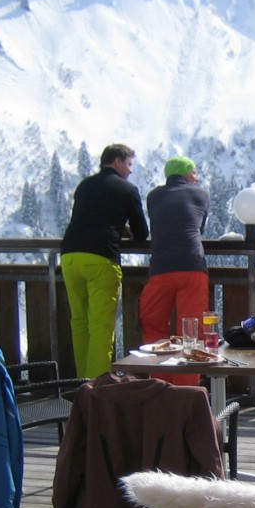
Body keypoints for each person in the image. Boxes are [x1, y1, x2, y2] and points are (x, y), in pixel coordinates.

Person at [60, 143, 148, 379]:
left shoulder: (84, 185)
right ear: (117, 161)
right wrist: (123, 229)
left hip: (69, 256)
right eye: (129, 164)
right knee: (101, 326)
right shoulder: (127, 189)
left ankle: (82, 383)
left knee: (79, 322)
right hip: (100, 258)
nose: (130, 170)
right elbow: (142, 233)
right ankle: (96, 386)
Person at [141, 155, 210, 386]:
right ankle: (186, 389)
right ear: (186, 174)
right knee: (192, 330)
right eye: (194, 172)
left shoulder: (154, 196)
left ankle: (159, 384)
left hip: (161, 268)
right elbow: (199, 227)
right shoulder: (200, 194)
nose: (197, 177)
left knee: (153, 325)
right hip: (192, 266)